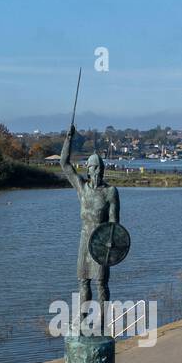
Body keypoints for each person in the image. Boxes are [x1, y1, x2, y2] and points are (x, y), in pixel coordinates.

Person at [59, 124, 120, 321]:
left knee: (101, 283)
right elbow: (64, 164)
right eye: (95, 167)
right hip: (84, 240)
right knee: (83, 281)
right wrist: (69, 139)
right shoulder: (82, 188)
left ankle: (102, 321)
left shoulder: (110, 192)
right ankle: (83, 318)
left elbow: (114, 224)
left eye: (101, 168)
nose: (99, 171)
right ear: (88, 169)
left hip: (102, 244)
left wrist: (111, 243)